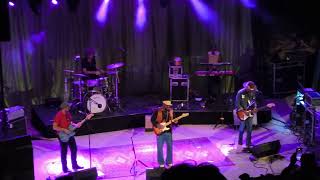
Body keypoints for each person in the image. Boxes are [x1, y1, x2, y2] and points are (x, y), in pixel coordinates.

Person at [53, 102, 93, 173]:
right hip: (63, 136)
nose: (69, 108)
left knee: (74, 150)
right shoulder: (59, 115)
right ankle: (65, 169)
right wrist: (64, 129)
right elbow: (54, 127)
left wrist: (76, 124)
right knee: (64, 152)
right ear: (64, 107)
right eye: (68, 107)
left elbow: (70, 123)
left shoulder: (68, 114)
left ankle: (74, 165)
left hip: (70, 134)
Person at [151, 100, 175, 168]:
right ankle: (161, 163)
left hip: (168, 132)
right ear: (163, 105)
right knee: (159, 148)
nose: (169, 107)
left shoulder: (170, 111)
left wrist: (172, 116)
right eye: (167, 105)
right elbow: (152, 120)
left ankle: (169, 162)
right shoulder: (157, 111)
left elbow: (174, 121)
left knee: (170, 147)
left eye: (169, 106)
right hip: (160, 132)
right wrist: (158, 126)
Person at [235, 81, 258, 151]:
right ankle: (240, 143)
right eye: (249, 89)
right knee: (241, 129)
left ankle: (248, 144)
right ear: (246, 87)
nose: (250, 91)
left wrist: (255, 107)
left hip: (250, 113)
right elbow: (237, 103)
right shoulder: (240, 92)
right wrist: (243, 111)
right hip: (242, 113)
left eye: (252, 89)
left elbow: (254, 101)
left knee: (249, 129)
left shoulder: (253, 92)